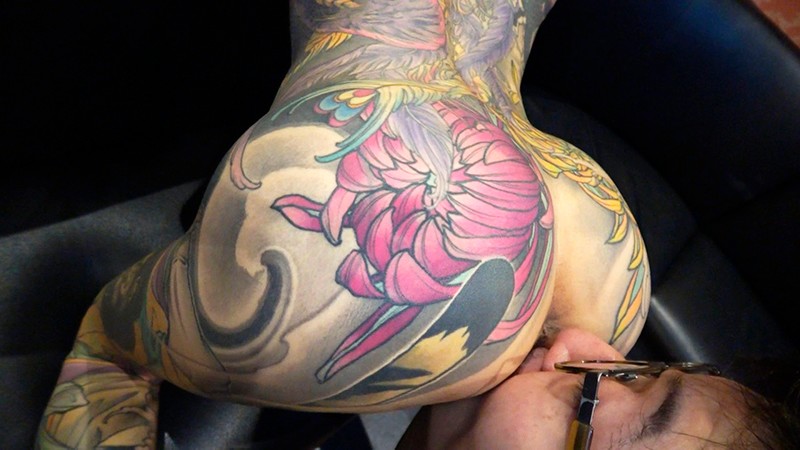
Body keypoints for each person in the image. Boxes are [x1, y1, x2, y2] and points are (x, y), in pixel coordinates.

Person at [34, 0, 798, 448]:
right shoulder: (597, 306)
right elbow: (109, 344)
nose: (591, 351)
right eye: (643, 374)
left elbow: (111, 347)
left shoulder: (595, 292)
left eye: (592, 418)